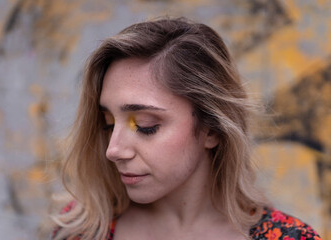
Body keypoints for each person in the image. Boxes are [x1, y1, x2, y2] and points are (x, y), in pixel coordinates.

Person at [51, 17, 322, 240]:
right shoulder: (82, 231)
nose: (114, 150)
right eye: (108, 124)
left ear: (211, 129)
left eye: (145, 126)